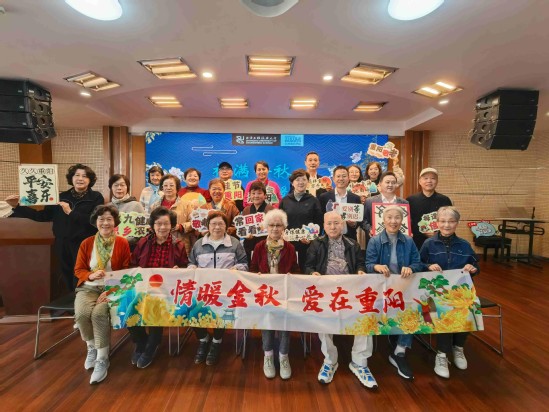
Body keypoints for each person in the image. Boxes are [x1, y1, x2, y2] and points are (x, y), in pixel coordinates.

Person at [304, 211, 377, 389]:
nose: (333, 227)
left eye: (336, 223)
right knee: (322, 322)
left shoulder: (353, 244)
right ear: (324, 225)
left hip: (350, 291)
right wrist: (312, 273)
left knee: (366, 317)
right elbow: (308, 266)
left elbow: (360, 263)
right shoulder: (316, 244)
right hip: (325, 291)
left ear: (342, 225)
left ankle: (359, 362)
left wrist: (360, 271)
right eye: (329, 223)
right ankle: (330, 361)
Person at [6, 163, 104, 290]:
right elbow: (42, 216)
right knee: (66, 274)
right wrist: (17, 206)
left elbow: (96, 221)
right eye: (77, 175)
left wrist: (71, 213)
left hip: (84, 243)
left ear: (90, 180)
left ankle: (81, 300)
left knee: (82, 274)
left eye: (85, 176)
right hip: (62, 242)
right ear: (71, 178)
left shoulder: (96, 197)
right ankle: (71, 300)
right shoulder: (60, 197)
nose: (80, 178)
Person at [365, 205, 424, 381]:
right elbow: (368, 265)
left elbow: (418, 263)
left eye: (397, 217)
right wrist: (376, 267)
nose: (393, 221)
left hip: (404, 288)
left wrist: (411, 268)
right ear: (383, 220)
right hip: (381, 290)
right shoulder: (375, 241)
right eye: (389, 217)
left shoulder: (409, 241)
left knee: (413, 310)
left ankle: (400, 351)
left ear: (402, 220)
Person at [420, 206, 479, 379]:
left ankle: (458, 348)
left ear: (457, 223)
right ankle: (442, 354)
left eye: (451, 221)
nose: (447, 225)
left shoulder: (464, 245)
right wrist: (428, 266)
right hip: (434, 293)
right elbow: (418, 264)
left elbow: (476, 265)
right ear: (437, 223)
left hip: (459, 292)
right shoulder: (428, 244)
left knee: (469, 307)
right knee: (443, 311)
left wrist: (472, 268)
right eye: (443, 221)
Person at [74, 204, 131, 384]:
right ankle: (92, 347)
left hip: (113, 288)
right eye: (101, 219)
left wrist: (111, 290)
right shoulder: (87, 243)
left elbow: (127, 271)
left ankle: (102, 358)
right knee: (82, 314)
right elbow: (78, 269)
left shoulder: (122, 242)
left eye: (109, 219)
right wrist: (90, 275)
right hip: (89, 287)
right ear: (95, 222)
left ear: (115, 222)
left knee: (99, 314)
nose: (105, 223)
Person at [129, 207, 189, 368]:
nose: (162, 227)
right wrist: (137, 270)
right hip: (143, 287)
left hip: (167, 290)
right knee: (127, 305)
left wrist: (179, 270)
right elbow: (132, 264)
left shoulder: (178, 245)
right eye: (158, 223)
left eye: (166, 224)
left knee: (155, 304)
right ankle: (141, 341)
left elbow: (185, 269)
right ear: (152, 225)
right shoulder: (143, 242)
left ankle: (152, 345)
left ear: (172, 225)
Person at [187, 211, 248, 366]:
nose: (217, 227)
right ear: (208, 226)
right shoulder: (199, 244)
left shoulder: (234, 243)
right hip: (203, 289)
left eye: (221, 224)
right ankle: (203, 339)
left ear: (226, 226)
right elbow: (191, 262)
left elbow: (244, 264)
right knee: (190, 310)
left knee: (222, 309)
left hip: (226, 290)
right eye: (213, 224)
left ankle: (216, 341)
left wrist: (236, 269)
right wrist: (192, 268)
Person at [250, 209, 299, 380]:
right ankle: (268, 356)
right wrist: (256, 276)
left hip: (284, 293)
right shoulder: (259, 247)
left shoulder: (290, 248)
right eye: (271, 225)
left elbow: (296, 270)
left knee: (285, 322)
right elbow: (252, 269)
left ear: (284, 228)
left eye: (279, 225)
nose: (275, 228)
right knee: (267, 321)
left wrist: (292, 276)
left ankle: (284, 356)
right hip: (264, 293)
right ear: (266, 227)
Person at [280, 169, 323, 271]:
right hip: (288, 244)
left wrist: (312, 238)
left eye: (304, 179)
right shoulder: (285, 200)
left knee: (306, 272)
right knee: (289, 271)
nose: (301, 182)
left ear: (308, 182)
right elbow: (280, 222)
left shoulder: (313, 200)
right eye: (297, 180)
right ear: (292, 183)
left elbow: (319, 223)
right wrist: (282, 235)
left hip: (308, 245)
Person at [407, 167, 453, 249]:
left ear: (437, 181)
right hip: (415, 244)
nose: (429, 181)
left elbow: (450, 221)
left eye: (433, 178)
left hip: (439, 243)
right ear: (420, 181)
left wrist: (438, 233)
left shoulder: (444, 200)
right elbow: (407, 222)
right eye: (425, 178)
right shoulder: (411, 200)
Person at [319, 166, 363, 241]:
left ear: (348, 178)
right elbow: (320, 218)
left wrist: (354, 224)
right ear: (333, 179)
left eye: (344, 176)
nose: (341, 179)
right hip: (329, 238)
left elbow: (360, 219)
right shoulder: (324, 197)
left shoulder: (355, 198)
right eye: (338, 176)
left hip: (350, 238)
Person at [363, 171, 408, 238]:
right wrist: (370, 229)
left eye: (393, 183)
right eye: (387, 182)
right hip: (376, 240)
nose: (390, 185)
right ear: (380, 184)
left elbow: (407, 222)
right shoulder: (370, 201)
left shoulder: (404, 203)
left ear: (396, 185)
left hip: (398, 240)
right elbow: (364, 221)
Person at [108, 174, 145, 250]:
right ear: (111, 187)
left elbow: (142, 230)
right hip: (110, 248)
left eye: (122, 185)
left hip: (130, 248)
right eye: (116, 185)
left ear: (127, 187)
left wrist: (123, 241)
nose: (119, 188)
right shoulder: (107, 207)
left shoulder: (136, 205)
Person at [241, 181, 274, 262]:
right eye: (253, 193)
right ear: (249, 195)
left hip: (266, 245)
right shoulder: (246, 210)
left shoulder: (270, 210)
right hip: (249, 245)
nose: (256, 196)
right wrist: (246, 235)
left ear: (265, 195)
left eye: (259, 193)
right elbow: (243, 228)